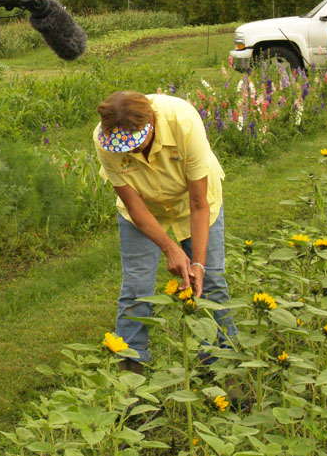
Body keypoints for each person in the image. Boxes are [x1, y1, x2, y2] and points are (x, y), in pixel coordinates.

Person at [93, 90, 237, 373]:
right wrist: (169, 248)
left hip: (191, 204)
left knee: (211, 283)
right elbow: (134, 205)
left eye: (134, 143)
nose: (128, 151)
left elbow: (199, 204)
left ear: (152, 123)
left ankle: (222, 367)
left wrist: (197, 262)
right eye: (121, 146)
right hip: (144, 209)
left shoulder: (184, 122)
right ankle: (130, 376)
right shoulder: (105, 139)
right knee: (136, 289)